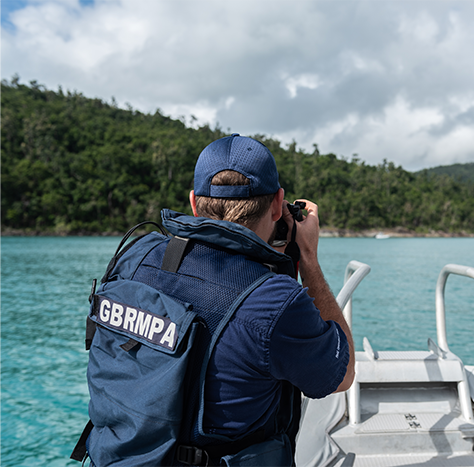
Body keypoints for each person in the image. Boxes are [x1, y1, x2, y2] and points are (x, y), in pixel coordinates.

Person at [112, 133, 353, 466]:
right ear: (276, 204)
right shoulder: (274, 303)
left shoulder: (135, 258)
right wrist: (307, 255)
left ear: (195, 203)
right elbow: (343, 375)